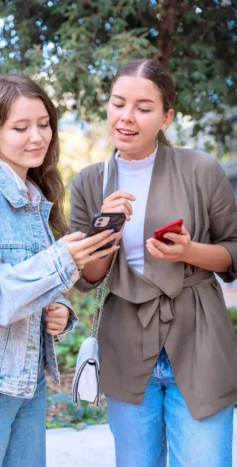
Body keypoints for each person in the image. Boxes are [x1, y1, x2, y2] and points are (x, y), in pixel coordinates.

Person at [0, 74, 119, 467]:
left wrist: (58, 312)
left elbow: (30, 290)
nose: (37, 136)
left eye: (44, 124)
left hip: (26, 386)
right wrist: (62, 261)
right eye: (21, 127)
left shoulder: (35, 201)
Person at [69, 58, 237, 466]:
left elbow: (233, 249)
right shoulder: (91, 181)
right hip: (126, 342)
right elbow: (88, 277)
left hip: (199, 340)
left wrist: (189, 252)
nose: (126, 117)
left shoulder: (201, 169)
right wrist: (102, 234)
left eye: (144, 108)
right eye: (118, 103)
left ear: (166, 117)